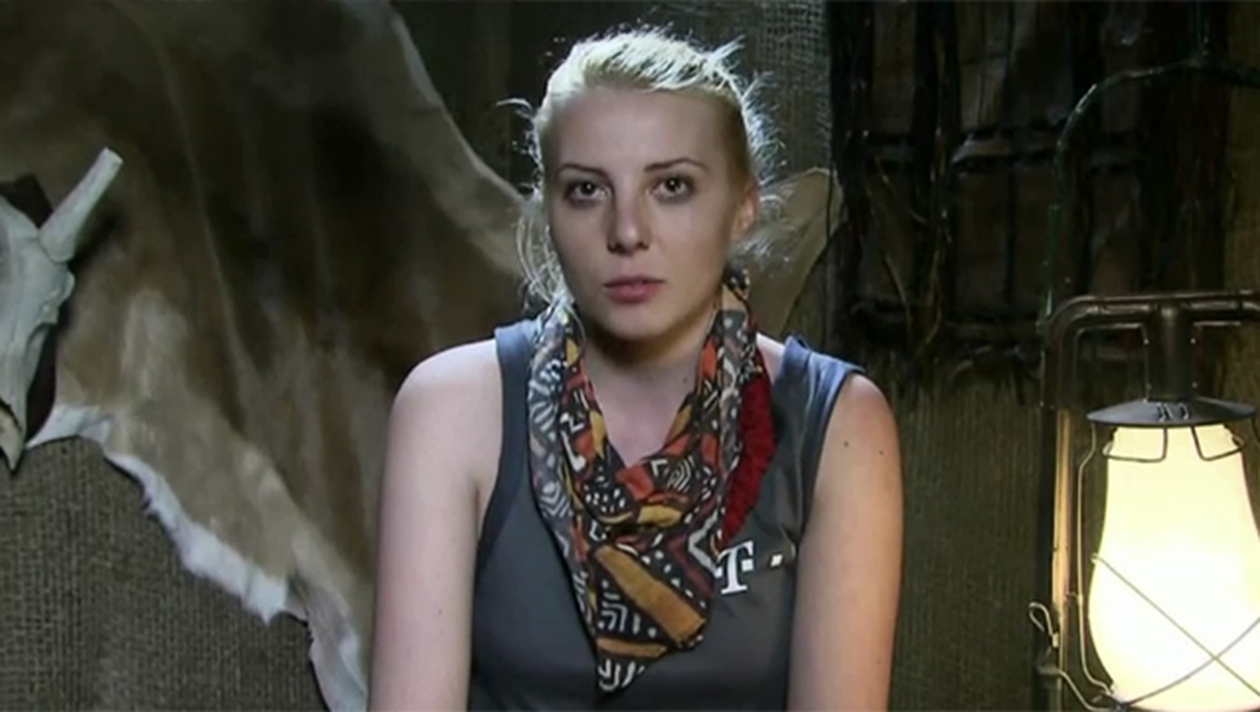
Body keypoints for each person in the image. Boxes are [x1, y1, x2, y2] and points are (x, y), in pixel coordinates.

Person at [368, 26, 903, 711]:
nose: (627, 232)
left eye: (671, 186)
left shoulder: (838, 426)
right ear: (548, 208)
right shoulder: (451, 411)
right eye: (587, 190)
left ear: (743, 203)